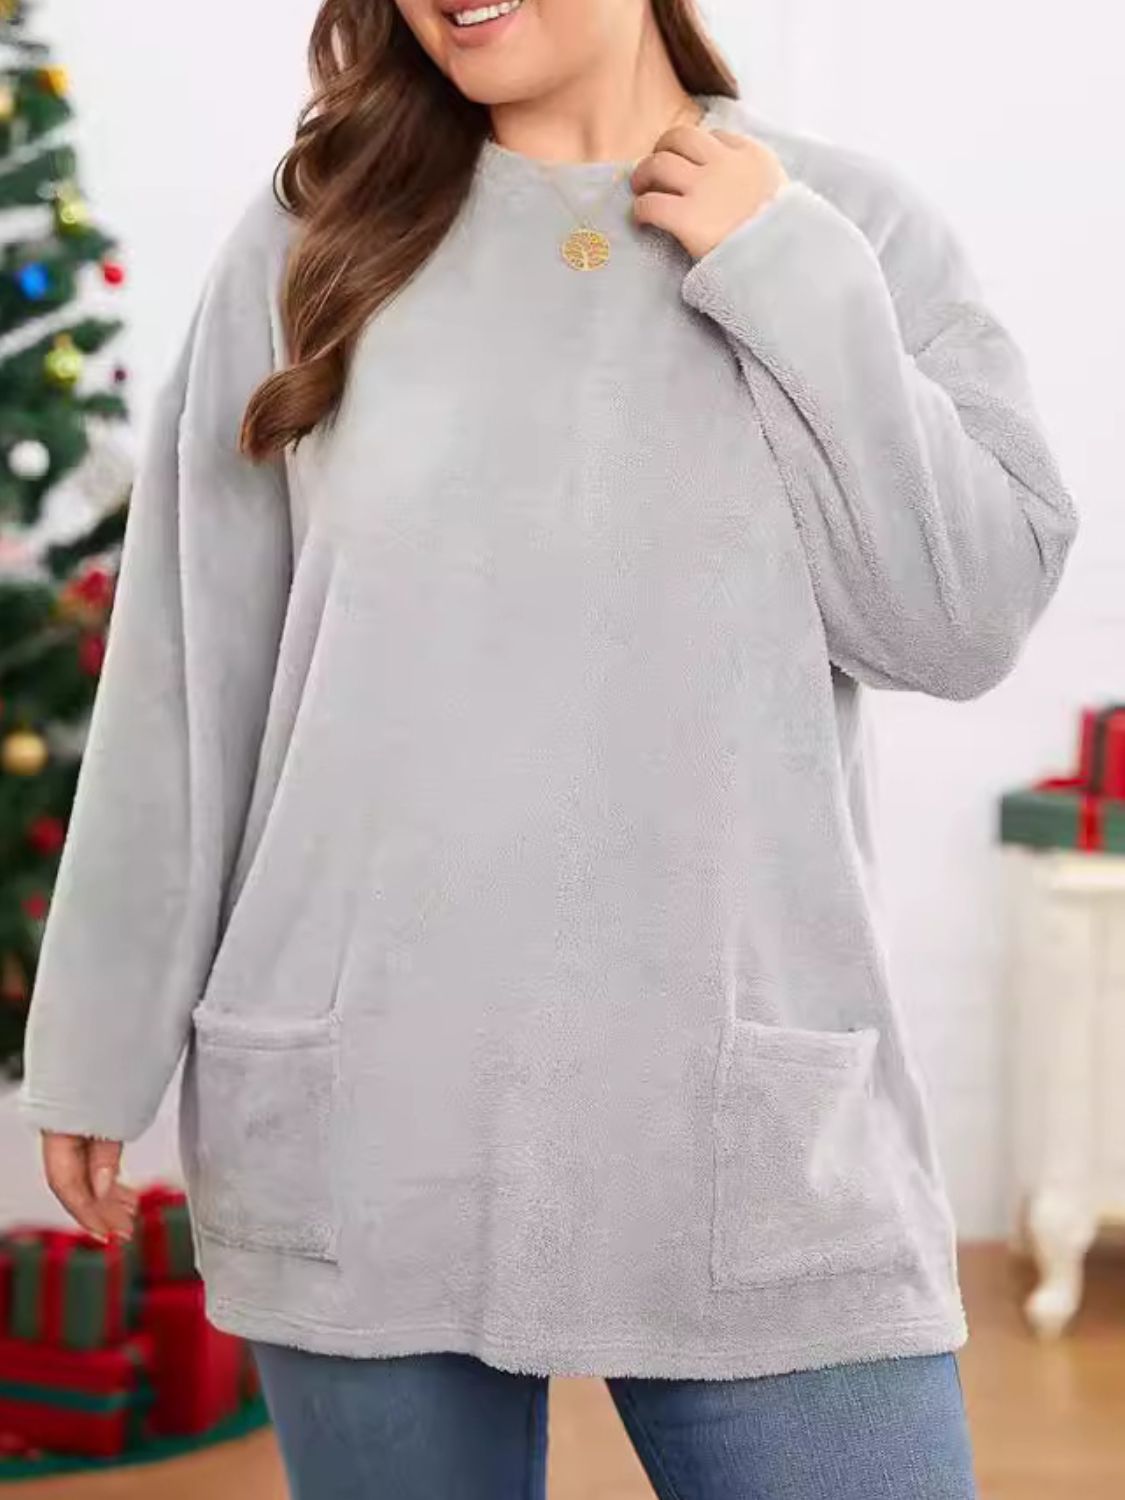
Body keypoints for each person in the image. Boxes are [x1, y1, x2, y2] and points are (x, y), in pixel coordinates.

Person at [19, 1, 1077, 1495]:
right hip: (369, 1114)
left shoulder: (846, 225)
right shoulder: (316, 234)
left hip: (734, 1132)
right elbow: (191, 669)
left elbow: (960, 625)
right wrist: (96, 1039)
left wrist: (787, 269)